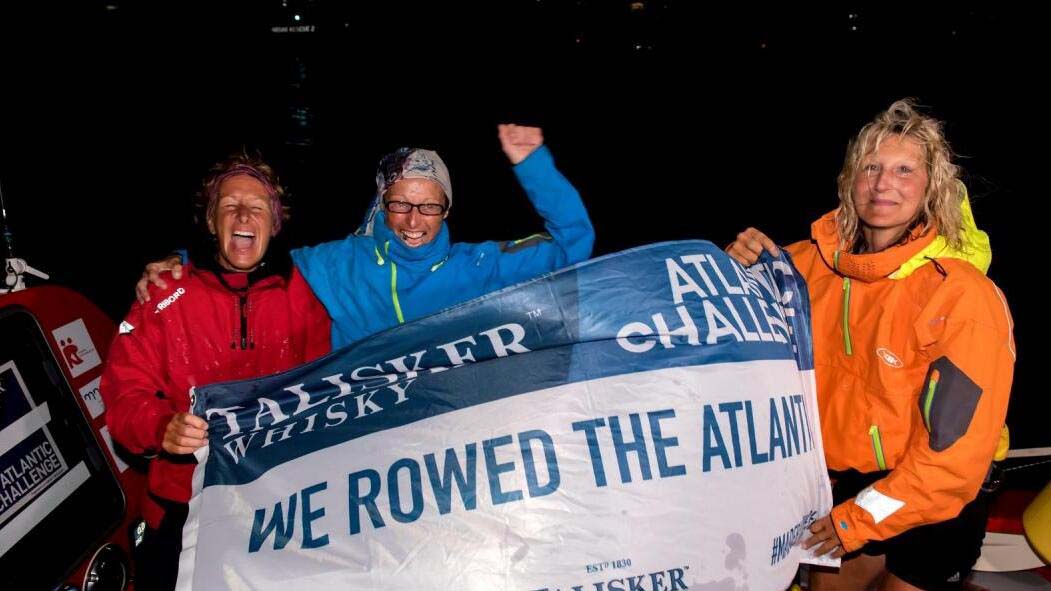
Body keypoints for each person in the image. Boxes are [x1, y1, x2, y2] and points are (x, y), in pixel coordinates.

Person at [726, 100, 1014, 590]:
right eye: (871, 167)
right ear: (849, 181)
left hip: (937, 489)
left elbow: (954, 458)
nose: (883, 184)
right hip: (848, 482)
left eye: (905, 169)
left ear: (931, 188)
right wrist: (735, 269)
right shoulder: (801, 270)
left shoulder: (962, 295)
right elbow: (719, 334)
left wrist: (856, 522)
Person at [137, 124, 594, 348]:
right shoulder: (339, 264)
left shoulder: (476, 266)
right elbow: (249, 257)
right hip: (359, 445)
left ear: (446, 209)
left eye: (429, 206)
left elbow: (574, 246)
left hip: (446, 432)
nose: (414, 221)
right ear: (382, 203)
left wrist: (533, 165)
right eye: (400, 204)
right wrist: (182, 259)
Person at [100, 154, 331, 591]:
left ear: (275, 224)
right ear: (210, 222)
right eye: (229, 206)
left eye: (257, 207)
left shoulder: (307, 294)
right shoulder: (163, 296)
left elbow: (326, 386)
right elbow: (123, 396)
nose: (243, 215)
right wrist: (160, 427)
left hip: (276, 506)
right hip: (179, 507)